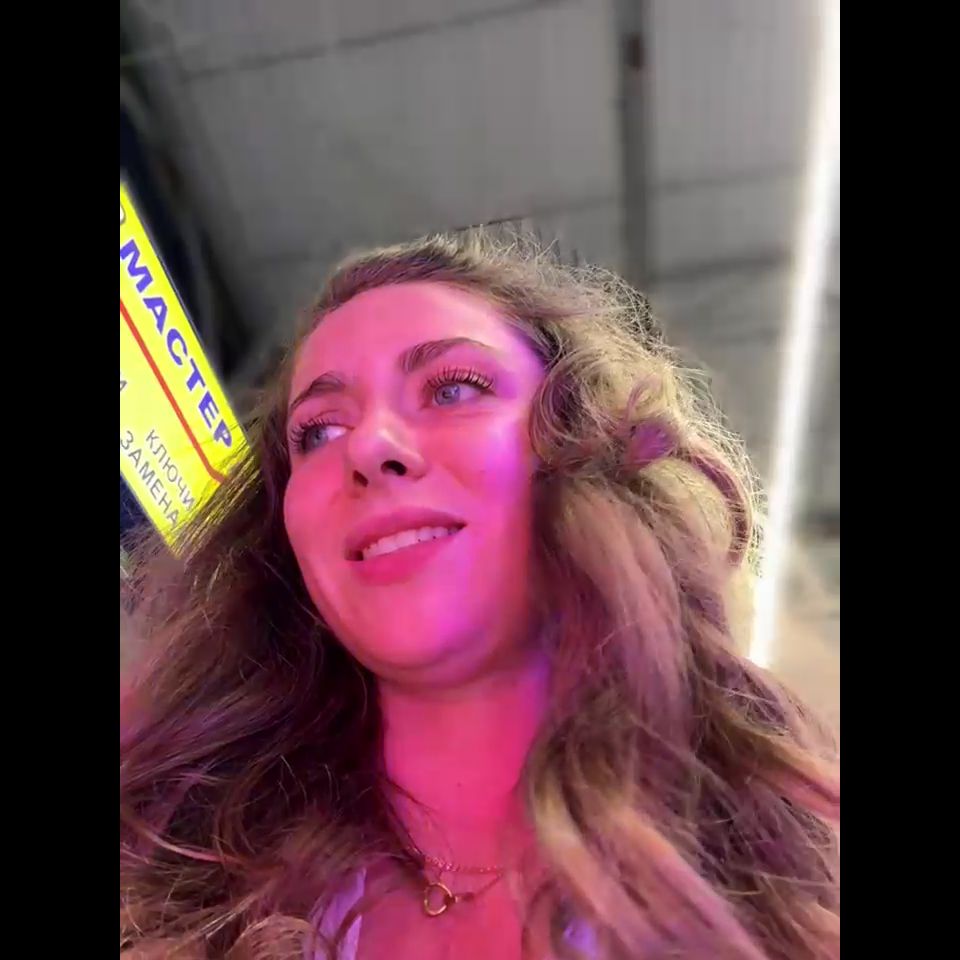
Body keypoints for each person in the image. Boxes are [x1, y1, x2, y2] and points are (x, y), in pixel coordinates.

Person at [120, 232, 839, 960]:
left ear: (585, 450)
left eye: (453, 389)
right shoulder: (164, 868)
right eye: (319, 431)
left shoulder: (792, 867)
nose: (368, 446)